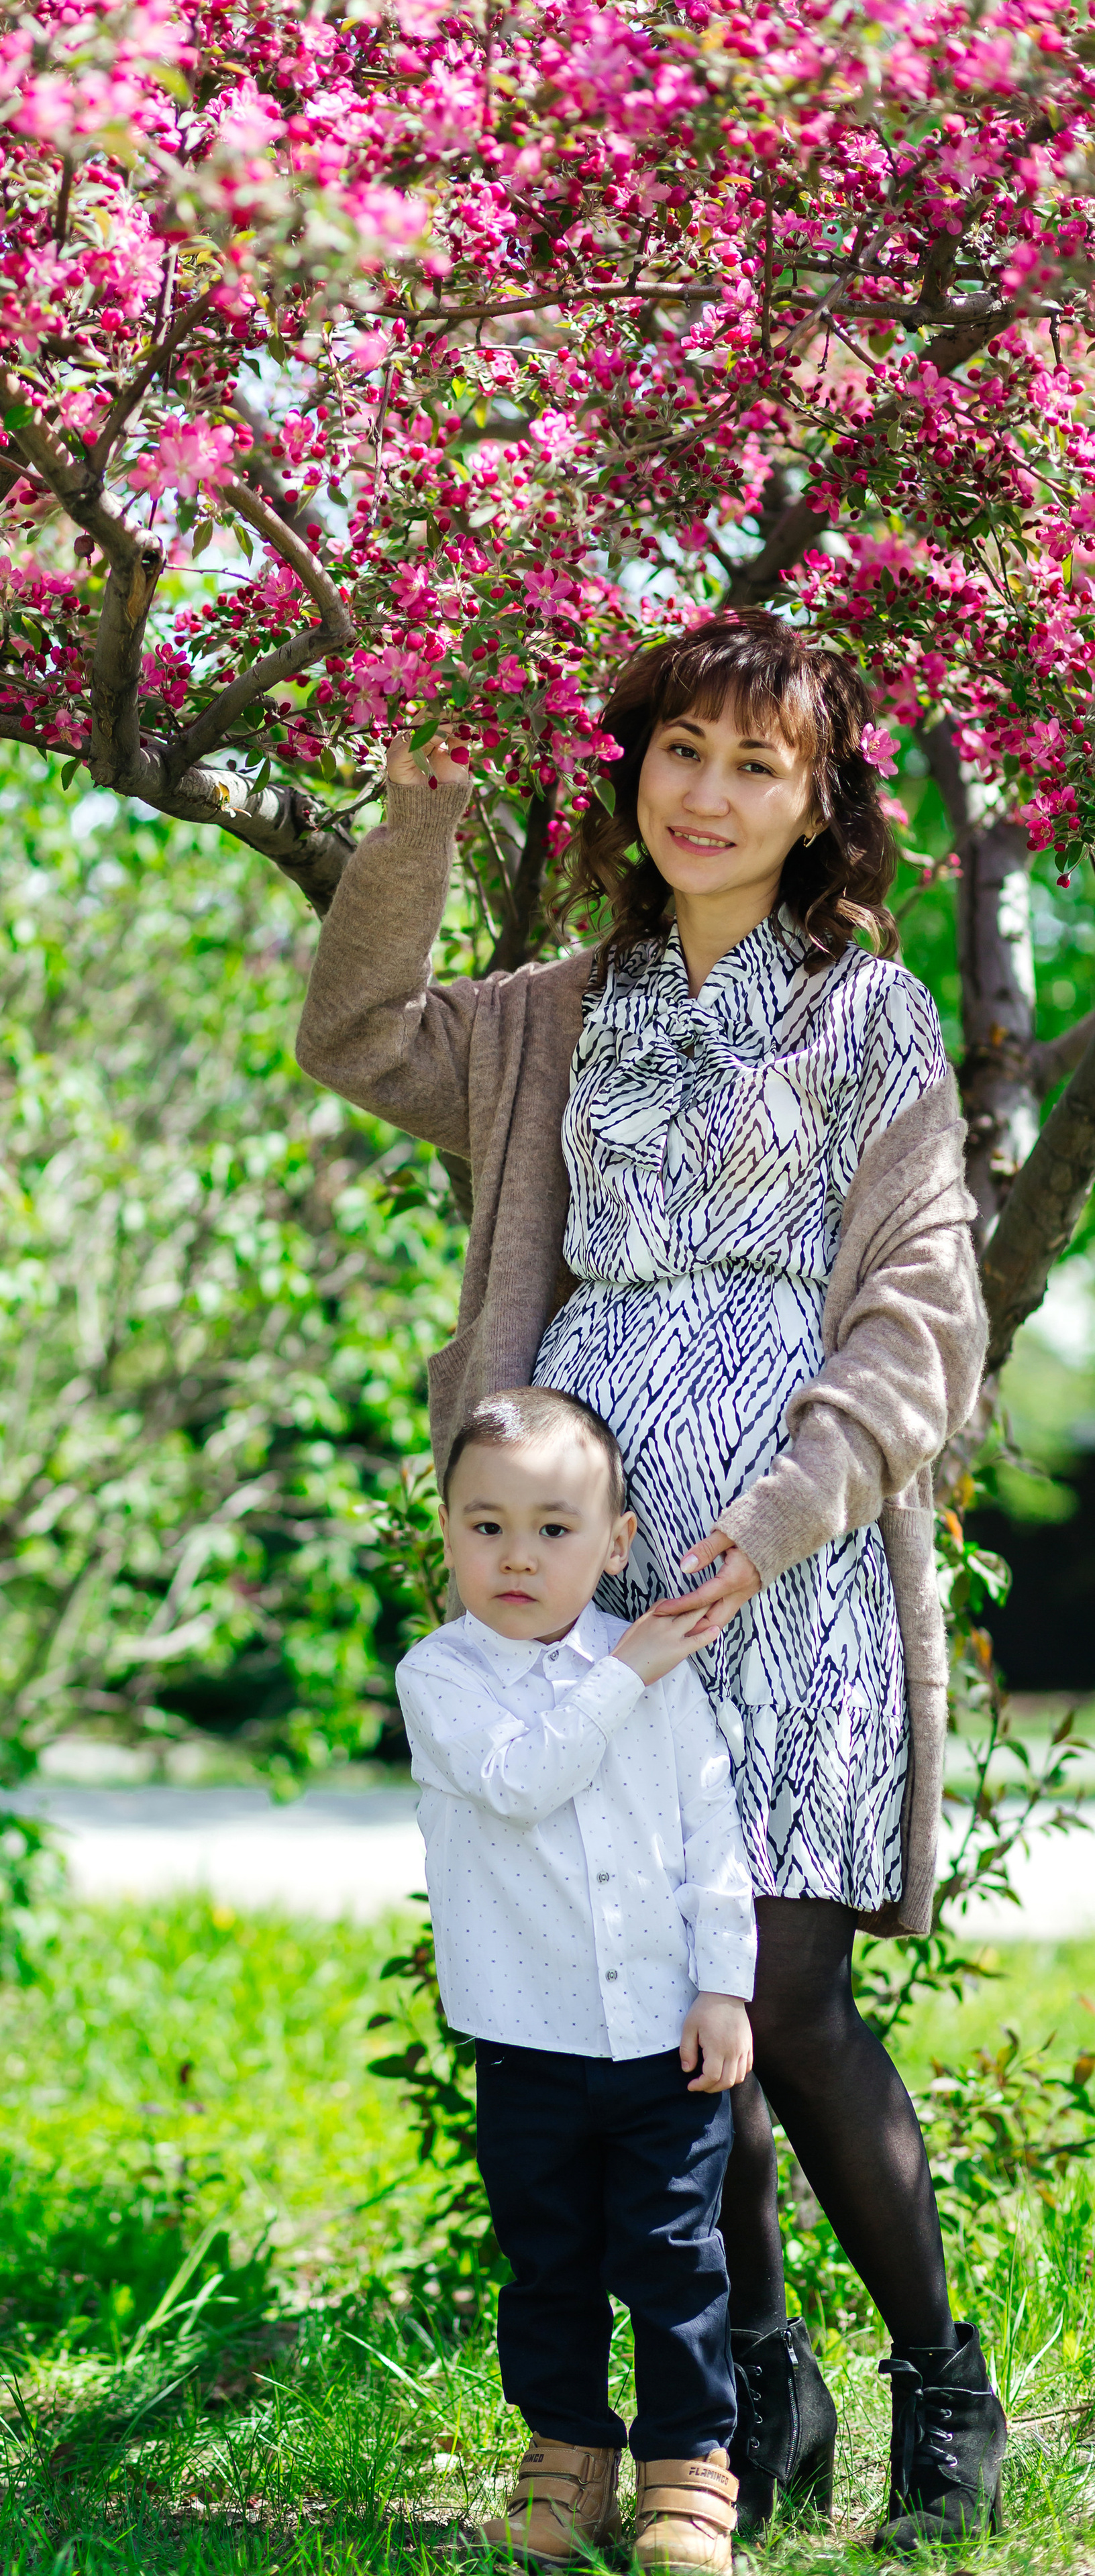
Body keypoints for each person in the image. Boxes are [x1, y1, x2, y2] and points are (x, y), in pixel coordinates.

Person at [295, 610, 1004, 2550]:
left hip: (789, 1569)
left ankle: (943, 2382)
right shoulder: (553, 1012)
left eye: (756, 766)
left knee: (780, 1985)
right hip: (586, 1581)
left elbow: (925, 1317)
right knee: (659, 2006)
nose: (708, 794)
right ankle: (749, 2395)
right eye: (680, 751)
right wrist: (422, 809)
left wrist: (775, 1517)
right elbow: (353, 1035)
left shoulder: (869, 1020)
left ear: (817, 803)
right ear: (631, 771)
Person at [401, 1383, 755, 2574]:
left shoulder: (656, 1670)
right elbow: (519, 1781)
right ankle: (566, 2462)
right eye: (487, 1526)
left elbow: (710, 1833)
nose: (518, 1556)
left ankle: (688, 2475)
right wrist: (629, 1671)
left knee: (675, 2260)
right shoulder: (440, 1677)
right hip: (528, 2040)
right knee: (549, 2262)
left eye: (554, 1528)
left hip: (663, 2036)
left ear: (615, 1543)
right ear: (447, 1533)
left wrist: (725, 1985)